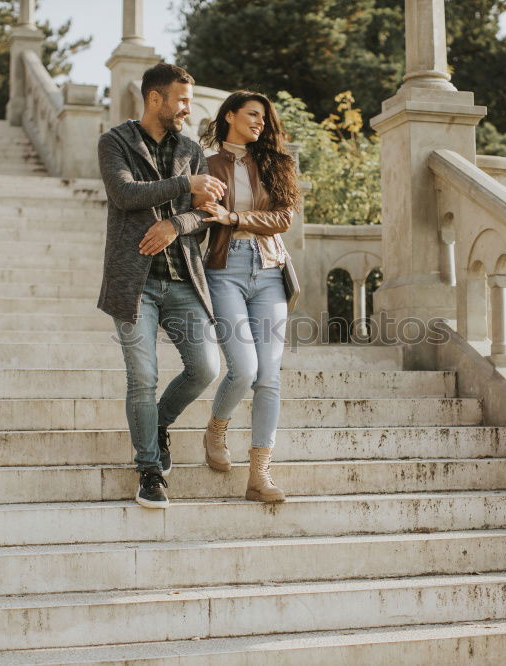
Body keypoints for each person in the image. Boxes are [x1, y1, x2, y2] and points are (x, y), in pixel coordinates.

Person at [97, 63, 227, 509]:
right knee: (143, 379)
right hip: (133, 283)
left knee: (205, 367)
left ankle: (158, 425)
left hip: (182, 279)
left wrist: (175, 223)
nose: (189, 108)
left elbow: (205, 214)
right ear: (156, 99)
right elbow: (125, 195)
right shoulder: (114, 142)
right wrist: (184, 184)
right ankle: (149, 470)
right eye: (183, 100)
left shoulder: (191, 148)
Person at [197, 91, 300, 503]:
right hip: (226, 270)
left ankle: (260, 475)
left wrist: (236, 217)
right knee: (243, 367)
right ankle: (217, 426)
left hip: (270, 270)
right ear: (230, 116)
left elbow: (284, 218)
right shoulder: (207, 166)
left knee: (269, 376)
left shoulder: (274, 163)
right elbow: (200, 214)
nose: (260, 122)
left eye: (264, 117)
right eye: (252, 114)